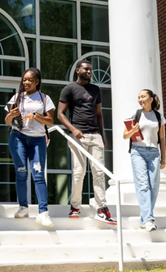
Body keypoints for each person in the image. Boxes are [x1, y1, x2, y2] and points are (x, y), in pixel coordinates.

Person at [58, 59, 116, 225]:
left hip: (95, 135)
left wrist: (102, 136)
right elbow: (60, 114)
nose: (89, 72)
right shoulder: (69, 89)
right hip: (79, 136)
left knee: (98, 172)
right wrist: (73, 130)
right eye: (86, 69)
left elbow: (98, 114)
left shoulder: (95, 89)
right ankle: (75, 206)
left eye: (90, 70)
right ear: (78, 70)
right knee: (79, 172)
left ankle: (102, 208)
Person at [5, 68, 54, 227]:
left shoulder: (44, 98)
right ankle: (23, 207)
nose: (26, 82)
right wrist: (10, 116)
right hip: (18, 137)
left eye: (30, 80)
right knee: (21, 173)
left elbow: (50, 121)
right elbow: (7, 122)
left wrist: (35, 116)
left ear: (37, 82)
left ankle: (43, 212)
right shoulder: (16, 98)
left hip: (37, 140)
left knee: (38, 175)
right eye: (24, 79)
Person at [123, 89, 166, 232]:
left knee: (154, 187)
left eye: (143, 97)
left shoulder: (158, 116)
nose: (140, 99)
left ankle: (144, 218)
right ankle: (149, 219)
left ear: (151, 99)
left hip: (154, 152)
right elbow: (125, 135)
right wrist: (133, 130)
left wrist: (164, 157)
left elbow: (162, 139)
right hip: (138, 151)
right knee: (143, 185)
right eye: (139, 97)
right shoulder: (136, 115)